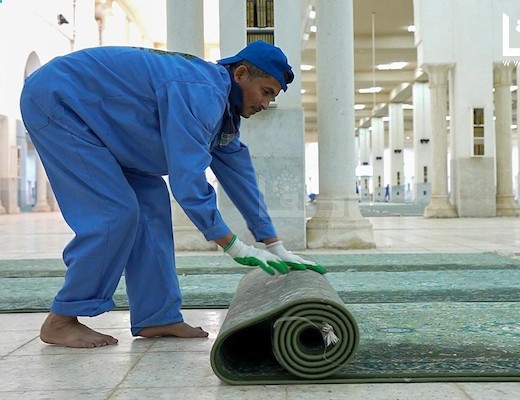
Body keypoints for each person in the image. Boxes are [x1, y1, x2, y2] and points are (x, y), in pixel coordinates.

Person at [19, 40, 325, 348]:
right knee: (115, 213)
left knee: (152, 205)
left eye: (272, 97)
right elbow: (188, 180)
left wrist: (274, 244)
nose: (265, 104)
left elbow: (240, 177)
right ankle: (62, 319)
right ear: (241, 74)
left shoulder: (223, 114)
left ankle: (157, 317)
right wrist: (232, 245)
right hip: (59, 100)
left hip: (105, 125)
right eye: (266, 92)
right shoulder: (202, 93)